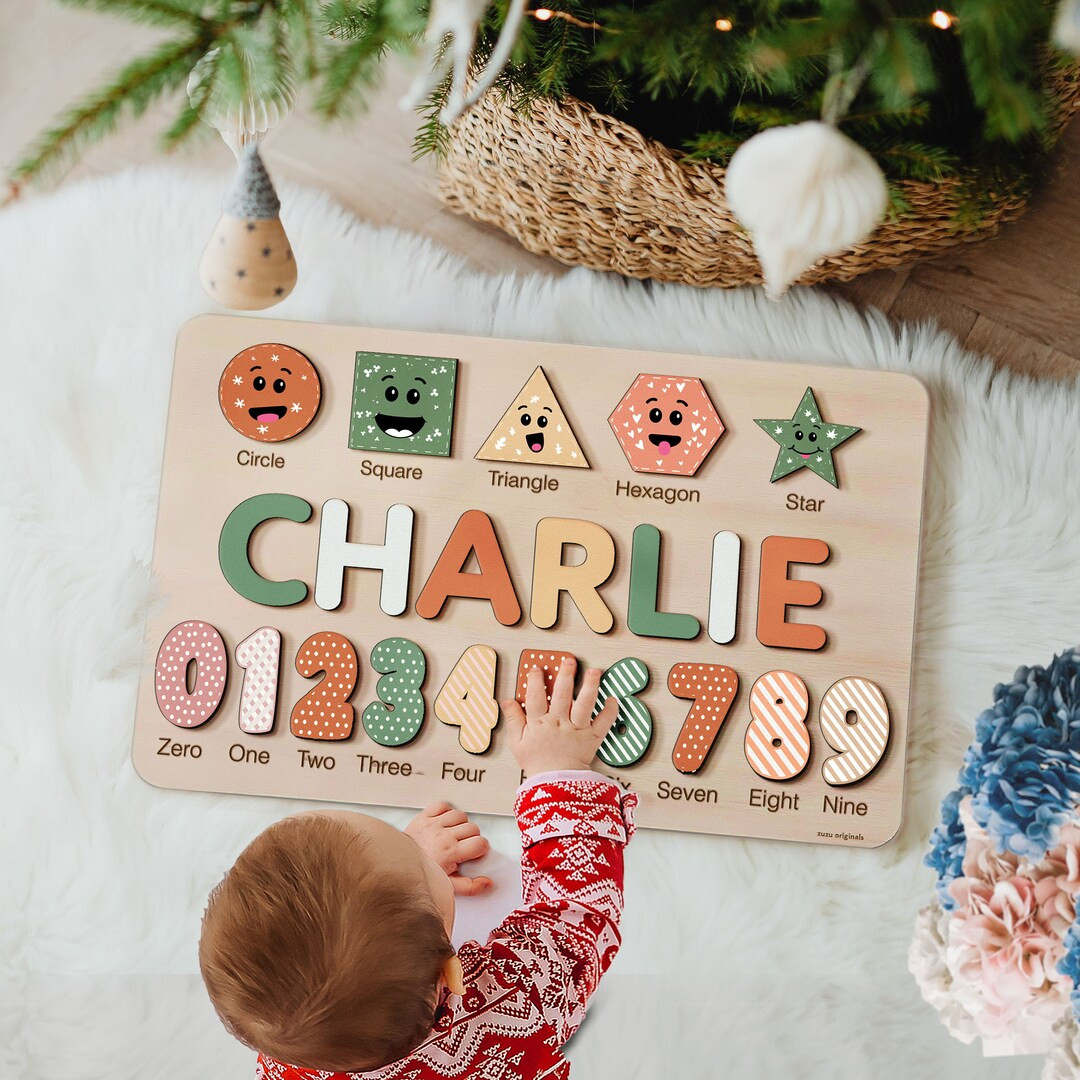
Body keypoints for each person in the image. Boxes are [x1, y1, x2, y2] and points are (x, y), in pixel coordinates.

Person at [199, 656, 636, 1079]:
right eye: (419, 859)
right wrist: (556, 771)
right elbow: (578, 915)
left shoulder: (289, 1049)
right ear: (451, 971)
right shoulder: (513, 1001)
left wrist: (411, 874)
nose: (417, 846)